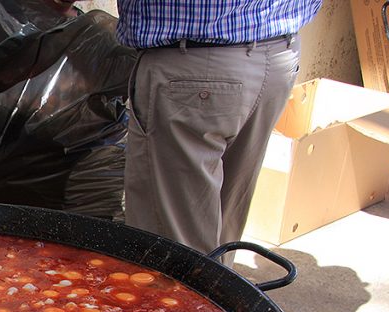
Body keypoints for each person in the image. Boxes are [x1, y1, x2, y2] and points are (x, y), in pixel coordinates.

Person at [112, 0, 322, 254]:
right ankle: (214, 291)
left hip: (195, 65)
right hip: (277, 52)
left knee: (172, 251)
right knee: (221, 228)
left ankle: (193, 292)